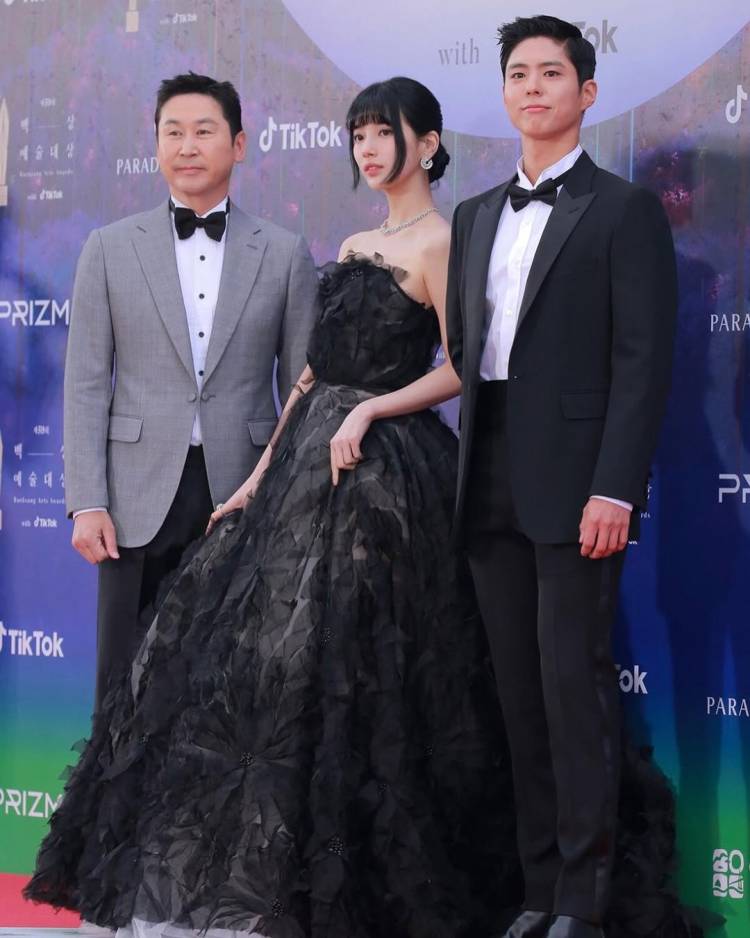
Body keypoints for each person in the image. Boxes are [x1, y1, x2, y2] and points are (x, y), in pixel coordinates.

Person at [25, 77, 521, 938]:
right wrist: (257, 478)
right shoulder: (352, 240)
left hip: (377, 478)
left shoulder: (430, 242)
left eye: (385, 134)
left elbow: (459, 365)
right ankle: (178, 876)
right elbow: (309, 374)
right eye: (360, 136)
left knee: (356, 682)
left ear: (428, 143)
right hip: (274, 470)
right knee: (194, 680)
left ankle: (340, 882)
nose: (370, 150)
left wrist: (367, 412)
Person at [445, 16, 678, 938]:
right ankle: (539, 889)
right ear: (503, 92)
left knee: (572, 689)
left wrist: (614, 486)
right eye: (518, 73)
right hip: (487, 473)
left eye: (551, 73)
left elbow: (642, 362)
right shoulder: (473, 216)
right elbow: (466, 348)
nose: (532, 87)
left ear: (587, 93)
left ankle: (584, 897)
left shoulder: (623, 210)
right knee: (517, 696)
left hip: (581, 484)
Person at [64, 72, 319, 708]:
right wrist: (87, 501)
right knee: (125, 687)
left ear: (239, 144)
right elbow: (87, 384)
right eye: (172, 132)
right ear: (155, 145)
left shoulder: (285, 252)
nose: (187, 146)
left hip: (244, 491)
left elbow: (301, 389)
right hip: (134, 499)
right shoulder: (108, 249)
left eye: (204, 131)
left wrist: (290, 497)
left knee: (233, 690)